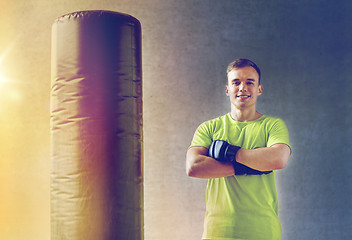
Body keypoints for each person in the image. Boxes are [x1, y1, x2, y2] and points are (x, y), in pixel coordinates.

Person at [186, 59, 291, 240]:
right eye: (236, 82)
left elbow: (279, 158)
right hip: (217, 232)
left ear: (259, 89)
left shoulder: (273, 125)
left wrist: (229, 153)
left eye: (250, 82)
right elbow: (194, 166)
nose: (243, 87)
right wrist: (252, 166)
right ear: (227, 89)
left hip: (263, 231)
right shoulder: (209, 128)